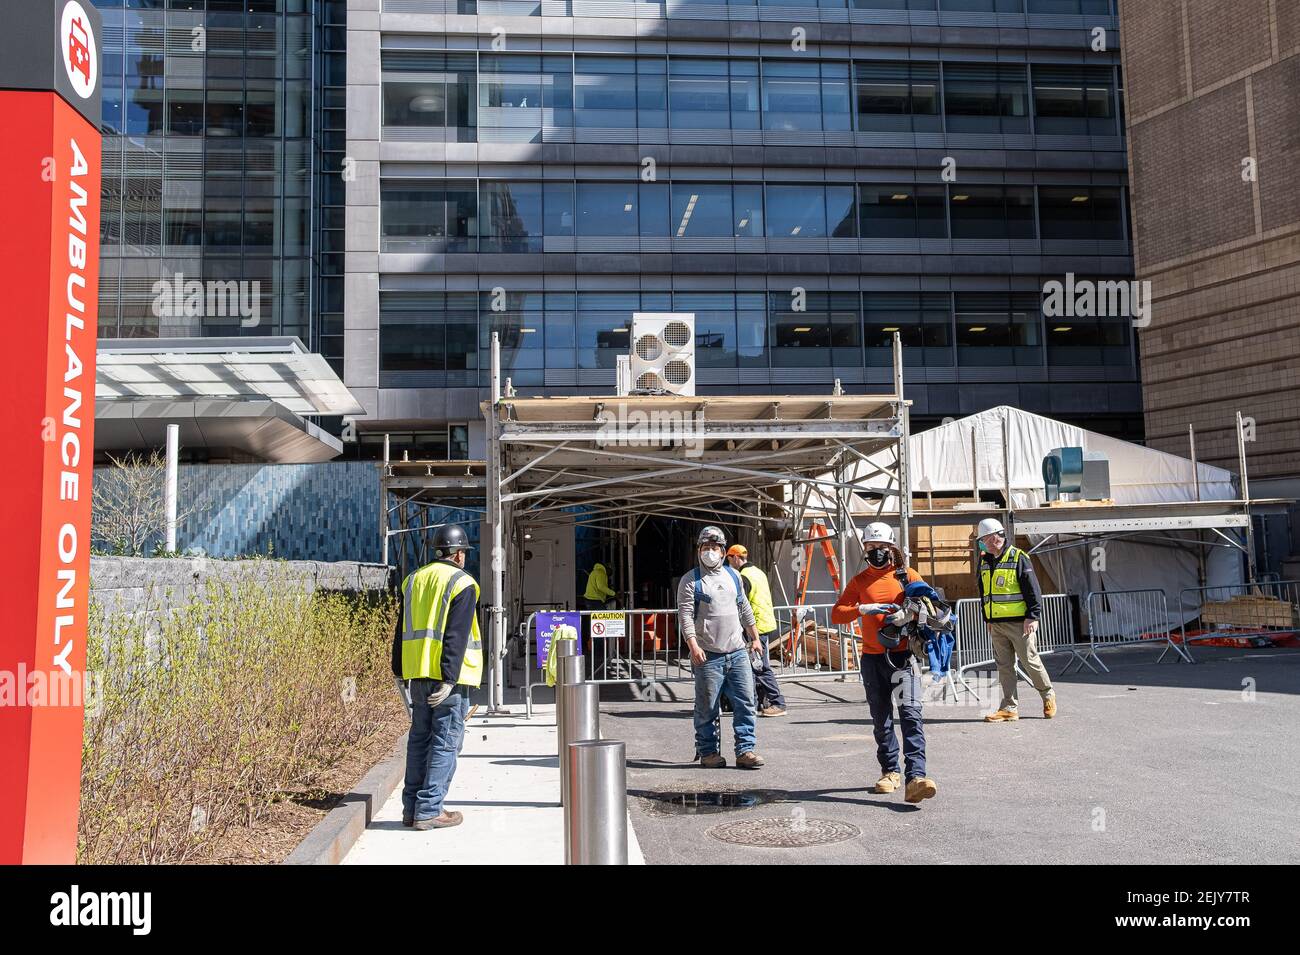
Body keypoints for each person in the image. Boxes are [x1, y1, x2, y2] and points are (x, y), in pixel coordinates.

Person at [832, 522, 938, 805]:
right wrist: (861, 609)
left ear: (892, 548)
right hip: (872, 659)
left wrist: (911, 614)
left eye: (882, 547)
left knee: (912, 715)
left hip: (904, 657)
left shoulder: (907, 576)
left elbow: (932, 609)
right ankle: (890, 771)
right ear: (865, 549)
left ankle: (916, 777)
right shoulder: (859, 582)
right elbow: (837, 614)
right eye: (871, 547)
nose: (877, 552)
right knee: (881, 718)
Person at [391, 523, 481, 830]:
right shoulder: (462, 582)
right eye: (464, 553)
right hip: (447, 682)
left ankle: (411, 808)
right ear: (458, 554)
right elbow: (456, 634)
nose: (464, 558)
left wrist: (399, 672)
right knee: (445, 742)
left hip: (417, 674)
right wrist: (449, 678)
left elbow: (401, 629)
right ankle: (430, 809)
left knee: (419, 740)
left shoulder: (413, 579)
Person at [677, 526, 766, 769]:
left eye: (714, 548)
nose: (710, 552)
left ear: (723, 551)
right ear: (699, 550)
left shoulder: (733, 576)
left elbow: (744, 607)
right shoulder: (691, 580)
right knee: (707, 707)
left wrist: (755, 638)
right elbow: (685, 615)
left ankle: (745, 750)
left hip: (737, 652)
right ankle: (708, 752)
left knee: (746, 701)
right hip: (708, 656)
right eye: (706, 548)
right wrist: (693, 645)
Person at [974, 518, 1057, 722]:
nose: (981, 543)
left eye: (983, 539)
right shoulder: (984, 561)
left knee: (1030, 661)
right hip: (996, 624)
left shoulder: (1018, 557)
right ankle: (1009, 707)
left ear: (994, 537)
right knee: (1004, 666)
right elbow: (984, 593)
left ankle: (1048, 696)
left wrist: (1032, 616)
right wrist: (988, 619)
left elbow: (1033, 590)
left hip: (1020, 623)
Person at [726, 544, 787, 717]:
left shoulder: (743, 576)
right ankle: (760, 702)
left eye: (730, 559)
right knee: (755, 666)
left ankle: (777, 702)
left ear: (736, 558)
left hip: (755, 628)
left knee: (759, 667)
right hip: (763, 624)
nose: (729, 563)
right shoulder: (758, 572)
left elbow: (741, 605)